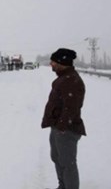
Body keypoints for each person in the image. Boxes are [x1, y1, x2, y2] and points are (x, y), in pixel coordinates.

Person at [41, 48, 86, 189]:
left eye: (53, 62)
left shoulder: (71, 80)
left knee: (67, 163)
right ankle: (63, 186)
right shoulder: (63, 79)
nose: (51, 64)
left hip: (66, 129)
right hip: (59, 128)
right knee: (57, 159)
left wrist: (62, 127)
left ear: (62, 62)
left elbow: (71, 108)